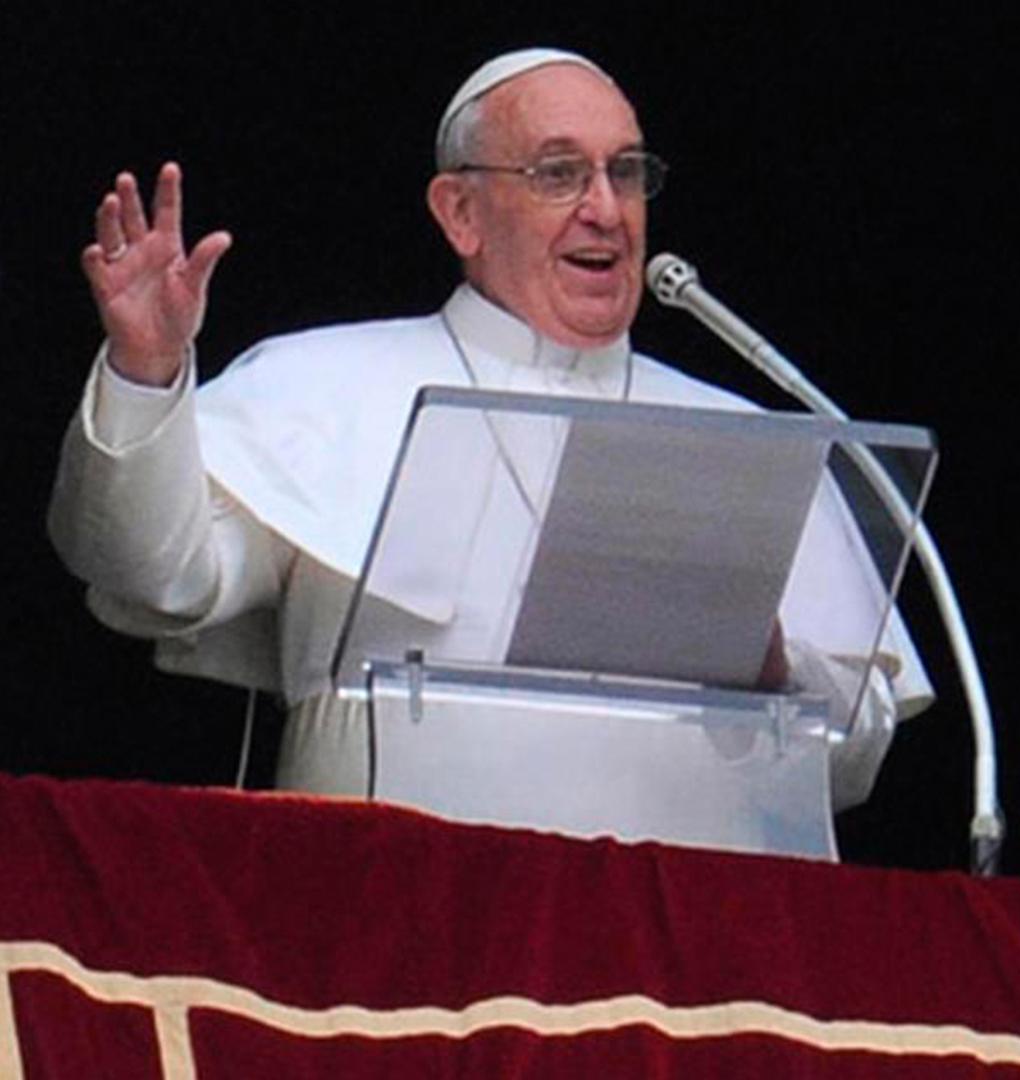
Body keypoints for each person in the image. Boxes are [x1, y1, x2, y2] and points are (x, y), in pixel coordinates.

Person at [47, 48, 931, 824]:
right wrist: (146, 372)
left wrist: (773, 670)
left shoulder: (741, 435)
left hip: (687, 951)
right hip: (398, 938)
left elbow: (855, 760)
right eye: (558, 173)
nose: (605, 209)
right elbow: (155, 578)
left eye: (624, 173)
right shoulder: (326, 382)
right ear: (459, 212)